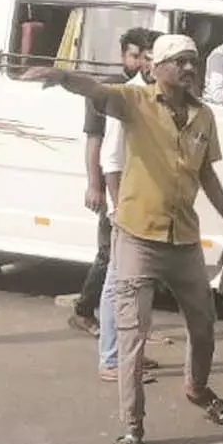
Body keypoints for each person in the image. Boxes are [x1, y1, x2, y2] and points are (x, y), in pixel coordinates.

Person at [23, 35, 223, 444]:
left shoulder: (203, 115)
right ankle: (133, 424)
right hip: (136, 238)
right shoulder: (135, 102)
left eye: (193, 62)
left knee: (203, 327)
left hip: (183, 240)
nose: (188, 68)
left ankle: (197, 389)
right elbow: (98, 91)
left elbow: (207, 176)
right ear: (157, 67)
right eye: (180, 61)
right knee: (133, 337)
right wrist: (64, 76)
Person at [71, 27, 158, 337]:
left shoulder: (153, 91)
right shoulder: (111, 93)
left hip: (137, 189)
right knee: (110, 255)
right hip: (115, 188)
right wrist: (95, 186)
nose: (140, 63)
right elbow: (97, 142)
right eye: (135, 56)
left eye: (146, 57)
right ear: (124, 56)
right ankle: (85, 311)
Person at [93, 27, 164, 383]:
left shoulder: (160, 96)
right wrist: (120, 208)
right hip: (127, 209)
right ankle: (110, 359)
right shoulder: (126, 96)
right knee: (118, 284)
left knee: (138, 284)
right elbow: (111, 158)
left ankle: (129, 352)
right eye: (146, 56)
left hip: (152, 207)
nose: (152, 63)